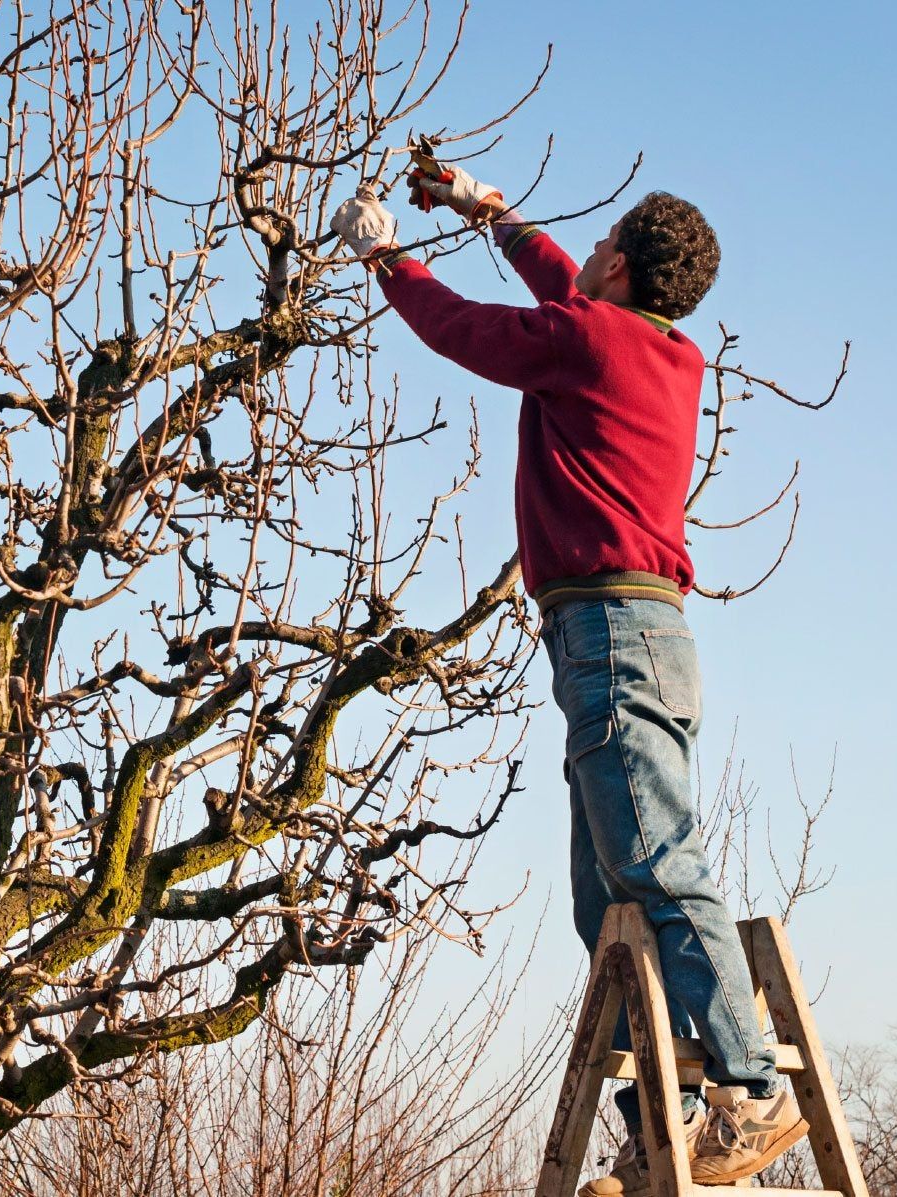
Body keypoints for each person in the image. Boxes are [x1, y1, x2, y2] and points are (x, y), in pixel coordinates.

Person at [329, 169, 808, 1193]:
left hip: (606, 634)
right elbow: (566, 286)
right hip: (640, 636)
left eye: (597, 250)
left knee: (656, 868)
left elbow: (467, 331)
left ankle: (752, 1092)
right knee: (608, 906)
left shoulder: (584, 340)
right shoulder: (664, 353)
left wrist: (381, 257)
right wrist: (487, 213)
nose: (580, 257)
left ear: (620, 269)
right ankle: (662, 1132)